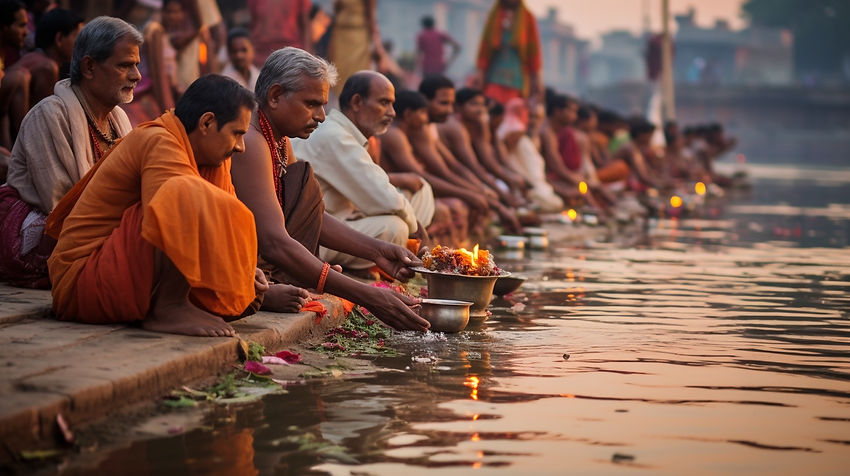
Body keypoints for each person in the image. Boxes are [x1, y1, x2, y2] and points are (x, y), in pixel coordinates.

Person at [47, 74, 264, 337]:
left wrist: (247, 272)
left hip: (125, 270)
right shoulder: (159, 139)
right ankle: (168, 307)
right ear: (207, 122)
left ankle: (176, 301)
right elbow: (172, 209)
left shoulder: (209, 158)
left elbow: (223, 228)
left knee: (245, 294)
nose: (241, 147)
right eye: (237, 134)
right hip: (84, 280)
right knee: (184, 193)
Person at [232, 47, 429, 331]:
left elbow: (311, 215)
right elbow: (274, 241)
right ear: (275, 96)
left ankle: (279, 281)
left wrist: (376, 251)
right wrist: (368, 296)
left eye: (323, 104)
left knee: (306, 188)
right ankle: (261, 287)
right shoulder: (251, 140)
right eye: (312, 104)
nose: (322, 116)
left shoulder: (278, 138)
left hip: (268, 255)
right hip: (244, 257)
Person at [0, 16, 138, 288]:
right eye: (125, 65)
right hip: (47, 231)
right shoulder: (50, 114)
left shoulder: (119, 118)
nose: (137, 76)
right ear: (89, 67)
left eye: (136, 65)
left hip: (96, 226)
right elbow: (59, 206)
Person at [292, 70, 434, 272]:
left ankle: (403, 254)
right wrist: (420, 232)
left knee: (420, 191)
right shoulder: (335, 135)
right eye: (384, 103)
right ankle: (390, 261)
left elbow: (378, 190)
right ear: (357, 102)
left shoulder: (348, 135)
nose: (392, 112)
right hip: (317, 235)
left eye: (392, 104)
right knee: (397, 227)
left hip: (342, 219)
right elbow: (385, 199)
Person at [416, 74, 522, 234]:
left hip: (435, 184)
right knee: (462, 205)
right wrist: (474, 194)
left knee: (482, 197)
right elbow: (441, 172)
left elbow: (454, 165)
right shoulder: (436, 127)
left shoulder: (433, 127)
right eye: (443, 103)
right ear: (424, 100)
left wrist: (479, 190)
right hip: (423, 187)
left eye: (451, 104)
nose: (449, 110)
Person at [437, 87, 526, 209]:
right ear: (458, 107)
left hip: (466, 174)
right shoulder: (455, 127)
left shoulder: (477, 125)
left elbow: (488, 161)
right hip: (455, 176)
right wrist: (485, 189)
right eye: (474, 104)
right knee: (489, 193)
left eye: (482, 105)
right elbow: (471, 166)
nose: (480, 109)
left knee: (496, 188)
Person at [0, 8, 82, 139]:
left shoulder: (34, 57)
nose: (82, 46)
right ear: (59, 38)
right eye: (77, 38)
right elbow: (44, 122)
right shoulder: (48, 67)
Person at [497, 97, 563, 213]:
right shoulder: (514, 132)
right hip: (520, 183)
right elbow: (504, 161)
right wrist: (521, 180)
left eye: (538, 118)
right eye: (530, 116)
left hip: (534, 184)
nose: (533, 121)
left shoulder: (534, 135)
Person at [475, 0, 542, 105]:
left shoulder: (528, 18)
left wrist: (537, 81)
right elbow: (484, 50)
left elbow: (534, 53)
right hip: (494, 76)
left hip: (517, 78)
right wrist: (479, 74)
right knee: (492, 107)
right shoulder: (494, 16)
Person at [327, 0, 383, 96]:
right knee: (337, 74)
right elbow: (335, 12)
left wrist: (377, 45)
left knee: (356, 77)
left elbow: (371, 18)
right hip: (340, 35)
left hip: (358, 36)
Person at [247, 0, 311, 66]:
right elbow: (253, 23)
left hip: (291, 53)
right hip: (261, 54)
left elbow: (305, 25)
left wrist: (308, 55)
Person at [221, 27, 259, 91]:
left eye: (244, 50)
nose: (239, 55)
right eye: (234, 51)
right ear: (228, 53)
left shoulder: (257, 76)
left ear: (253, 49)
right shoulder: (224, 81)